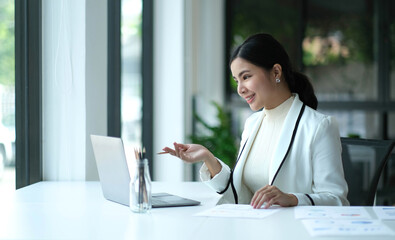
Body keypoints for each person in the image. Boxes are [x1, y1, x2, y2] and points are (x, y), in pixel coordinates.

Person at [161, 33, 349, 208]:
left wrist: (291, 198)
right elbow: (241, 197)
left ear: (276, 72)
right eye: (236, 80)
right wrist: (208, 158)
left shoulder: (319, 126)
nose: (240, 89)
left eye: (246, 77)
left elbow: (337, 200)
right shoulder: (252, 124)